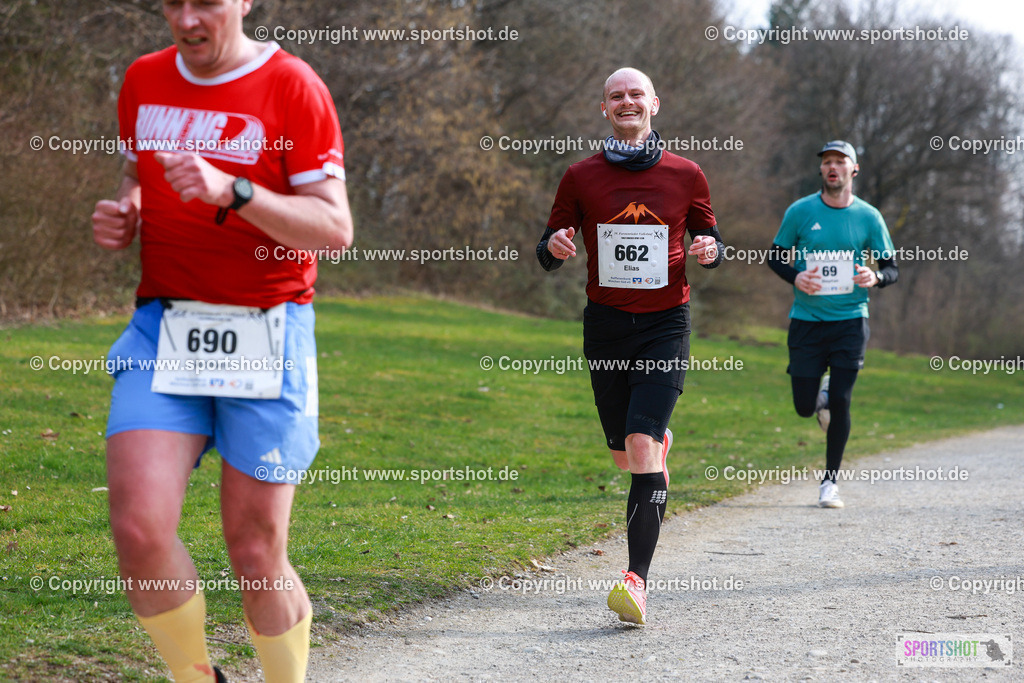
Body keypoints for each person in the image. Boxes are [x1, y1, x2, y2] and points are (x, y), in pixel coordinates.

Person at [91, 0, 352, 680]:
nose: (185, 17)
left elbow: (332, 227)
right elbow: (137, 173)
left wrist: (233, 189)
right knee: (139, 530)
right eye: (172, 2)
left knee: (256, 548)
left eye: (204, 1)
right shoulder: (143, 78)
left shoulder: (293, 86)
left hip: (268, 327)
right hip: (164, 324)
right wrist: (129, 210)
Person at [536, 67, 724, 625]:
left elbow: (711, 236)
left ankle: (635, 582)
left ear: (654, 105)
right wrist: (556, 244)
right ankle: (655, 439)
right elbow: (545, 253)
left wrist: (711, 249)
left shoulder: (687, 174)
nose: (626, 102)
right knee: (625, 453)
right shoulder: (579, 176)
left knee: (640, 444)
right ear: (603, 109)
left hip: (667, 323)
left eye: (635, 94)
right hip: (606, 327)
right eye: (616, 96)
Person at [767, 141, 898, 509]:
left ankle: (830, 482)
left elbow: (892, 269)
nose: (832, 167)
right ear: (821, 170)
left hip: (850, 321)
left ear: (854, 170)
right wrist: (796, 277)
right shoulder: (800, 211)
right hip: (806, 321)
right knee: (803, 408)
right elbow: (774, 258)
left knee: (841, 400)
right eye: (827, 162)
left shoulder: (869, 217)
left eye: (840, 162)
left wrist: (875, 278)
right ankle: (818, 397)